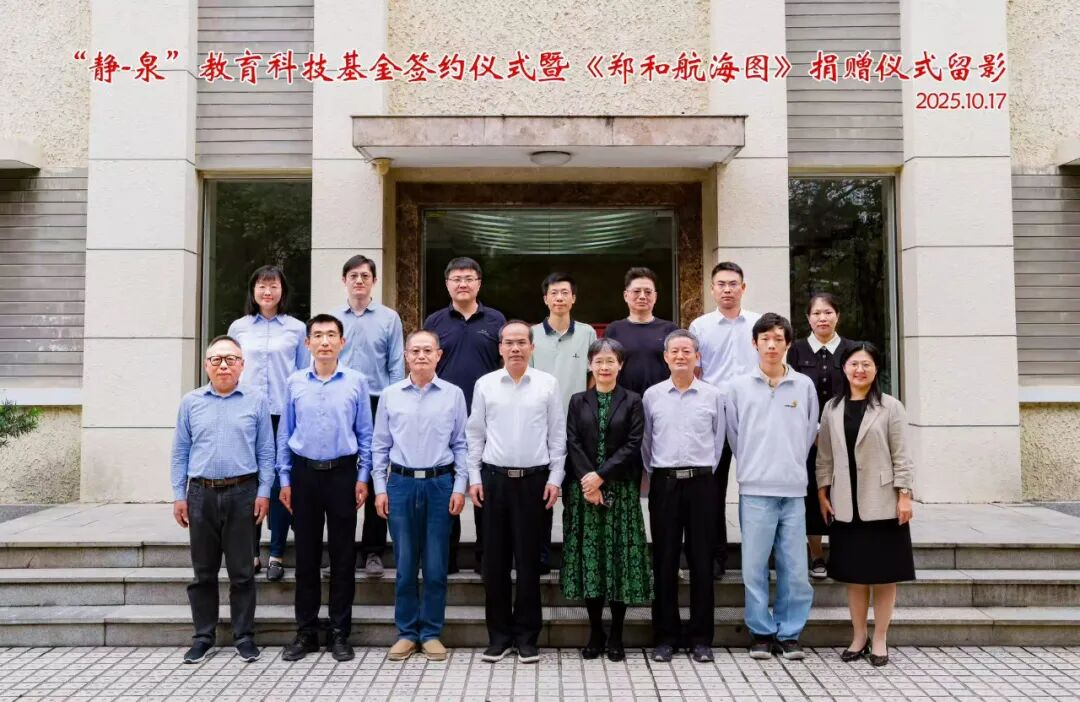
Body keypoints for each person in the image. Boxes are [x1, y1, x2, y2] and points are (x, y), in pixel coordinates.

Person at [170, 335, 273, 664]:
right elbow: (180, 452)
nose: (223, 365)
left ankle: (244, 637)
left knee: (242, 572)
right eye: (216, 359)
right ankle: (203, 636)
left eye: (231, 359)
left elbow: (266, 452)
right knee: (203, 572)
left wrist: (264, 492)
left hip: (243, 492)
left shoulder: (256, 401)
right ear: (206, 365)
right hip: (200, 494)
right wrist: (179, 495)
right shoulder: (191, 402)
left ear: (242, 365)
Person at [466, 321, 565, 664]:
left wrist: (555, 478)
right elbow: (475, 434)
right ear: (500, 348)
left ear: (532, 347)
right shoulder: (485, 385)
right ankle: (498, 636)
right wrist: (474, 477)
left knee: (529, 562)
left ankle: (526, 637)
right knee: (494, 563)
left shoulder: (547, 384)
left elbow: (557, 436)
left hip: (534, 482)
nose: (515, 348)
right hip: (494, 481)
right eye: (509, 343)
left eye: (522, 342)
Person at [277, 314, 373, 662]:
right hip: (304, 476)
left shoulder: (356, 382)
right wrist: (285, 479)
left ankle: (338, 632)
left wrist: (363, 477)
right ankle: (306, 632)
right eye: (317, 335)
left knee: (343, 557)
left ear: (342, 342)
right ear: (307, 343)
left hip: (342, 474)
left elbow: (365, 434)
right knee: (305, 556)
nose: (324, 341)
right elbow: (284, 434)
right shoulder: (294, 383)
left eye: (331, 335)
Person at [726, 313, 818, 661]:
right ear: (754, 343)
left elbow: (809, 433)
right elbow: (734, 435)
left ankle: (790, 633)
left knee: (795, 569)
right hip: (754, 489)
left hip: (793, 490)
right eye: (765, 338)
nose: (771, 345)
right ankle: (762, 633)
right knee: (754, 568)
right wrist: (754, 465)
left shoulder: (804, 386)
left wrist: (790, 465)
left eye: (778, 339)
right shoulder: (738, 387)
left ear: (788, 344)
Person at [817, 342, 915, 667]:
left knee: (885, 576)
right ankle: (859, 636)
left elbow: (902, 455)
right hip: (845, 503)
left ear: (876, 369)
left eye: (866, 364)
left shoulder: (891, 407)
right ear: (844, 368)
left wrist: (905, 495)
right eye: (854, 364)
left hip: (883, 502)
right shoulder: (832, 408)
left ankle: (881, 638)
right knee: (855, 576)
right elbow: (824, 456)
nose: (860, 370)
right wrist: (822, 492)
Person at [372, 330, 468, 662]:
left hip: (439, 484)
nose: (421, 356)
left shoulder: (453, 395)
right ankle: (406, 632)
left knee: (436, 564)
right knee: (405, 564)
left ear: (439, 355)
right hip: (401, 484)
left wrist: (459, 486)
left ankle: (431, 633)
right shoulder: (390, 395)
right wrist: (380, 488)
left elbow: (461, 444)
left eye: (428, 350)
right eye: (415, 351)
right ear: (406, 356)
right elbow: (379, 446)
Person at [561, 337, 651, 663]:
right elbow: (572, 442)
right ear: (590, 365)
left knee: (618, 562)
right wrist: (589, 481)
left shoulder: (633, 401)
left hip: (620, 491)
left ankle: (616, 635)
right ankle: (595, 631)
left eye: (610, 361)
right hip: (585, 492)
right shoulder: (577, 401)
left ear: (620, 365)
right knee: (592, 561)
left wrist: (601, 476)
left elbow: (633, 443)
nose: (604, 366)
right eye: (598, 361)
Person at [641, 329, 726, 664]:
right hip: (665, 484)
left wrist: (702, 473)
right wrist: (660, 474)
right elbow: (647, 443)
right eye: (674, 351)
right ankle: (665, 636)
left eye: (686, 351)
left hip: (702, 483)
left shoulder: (713, 395)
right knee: (664, 560)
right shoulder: (652, 396)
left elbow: (719, 442)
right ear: (665, 357)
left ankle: (701, 638)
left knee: (702, 561)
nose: (680, 356)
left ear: (697, 357)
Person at [424, 257, 506, 574]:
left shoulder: (496, 320)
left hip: (488, 415)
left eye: (469, 278)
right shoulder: (435, 322)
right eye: (456, 278)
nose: (462, 284)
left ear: (479, 283)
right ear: (447, 284)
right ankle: (448, 558)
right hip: (445, 415)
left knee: (485, 486)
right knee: (449, 485)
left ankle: (486, 557)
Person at [227, 265, 308, 582]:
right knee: (248, 481)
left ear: (282, 291)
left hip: (281, 414)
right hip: (246, 412)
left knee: (279, 483)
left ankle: (276, 553)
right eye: (262, 285)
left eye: (273, 286)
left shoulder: (296, 329)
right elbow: (231, 370)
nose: (267, 291)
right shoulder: (239, 328)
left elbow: (302, 375)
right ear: (253, 290)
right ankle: (251, 553)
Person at [333, 254, 405, 580]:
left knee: (377, 472)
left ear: (374, 281)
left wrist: (394, 405)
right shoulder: (333, 320)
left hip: (378, 401)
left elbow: (396, 365)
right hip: (341, 402)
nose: (359, 281)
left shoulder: (390, 319)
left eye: (365, 276)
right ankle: (342, 548)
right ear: (344, 280)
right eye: (353, 276)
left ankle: (373, 549)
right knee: (343, 473)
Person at [688, 261, 761, 579]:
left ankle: (758, 556)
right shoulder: (700, 326)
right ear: (712, 289)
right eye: (721, 284)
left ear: (743, 288)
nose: (727, 290)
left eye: (733, 284)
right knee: (712, 490)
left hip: (752, 414)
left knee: (757, 486)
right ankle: (716, 556)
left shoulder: (759, 324)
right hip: (713, 416)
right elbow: (696, 372)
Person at [787, 292, 856, 579]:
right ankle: (816, 555)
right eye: (816, 313)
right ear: (808, 318)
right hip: (808, 437)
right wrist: (813, 430)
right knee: (813, 491)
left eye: (828, 312)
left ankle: (844, 552)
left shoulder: (853, 350)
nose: (822, 318)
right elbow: (791, 393)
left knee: (845, 491)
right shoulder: (796, 351)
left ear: (837, 315)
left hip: (847, 435)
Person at [531, 272, 597, 574]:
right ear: (545, 299)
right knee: (541, 497)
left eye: (565, 293)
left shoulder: (587, 334)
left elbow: (593, 375)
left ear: (574, 298)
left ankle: (575, 559)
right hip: (541, 427)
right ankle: (540, 558)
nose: (559, 298)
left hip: (578, 428)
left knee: (576, 495)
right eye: (554, 293)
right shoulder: (532, 334)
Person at [604, 267, 679, 396]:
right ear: (626, 295)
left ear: (655, 296)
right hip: (623, 401)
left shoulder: (670, 330)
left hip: (662, 399)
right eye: (636, 291)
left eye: (648, 292)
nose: (642, 296)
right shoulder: (614, 330)